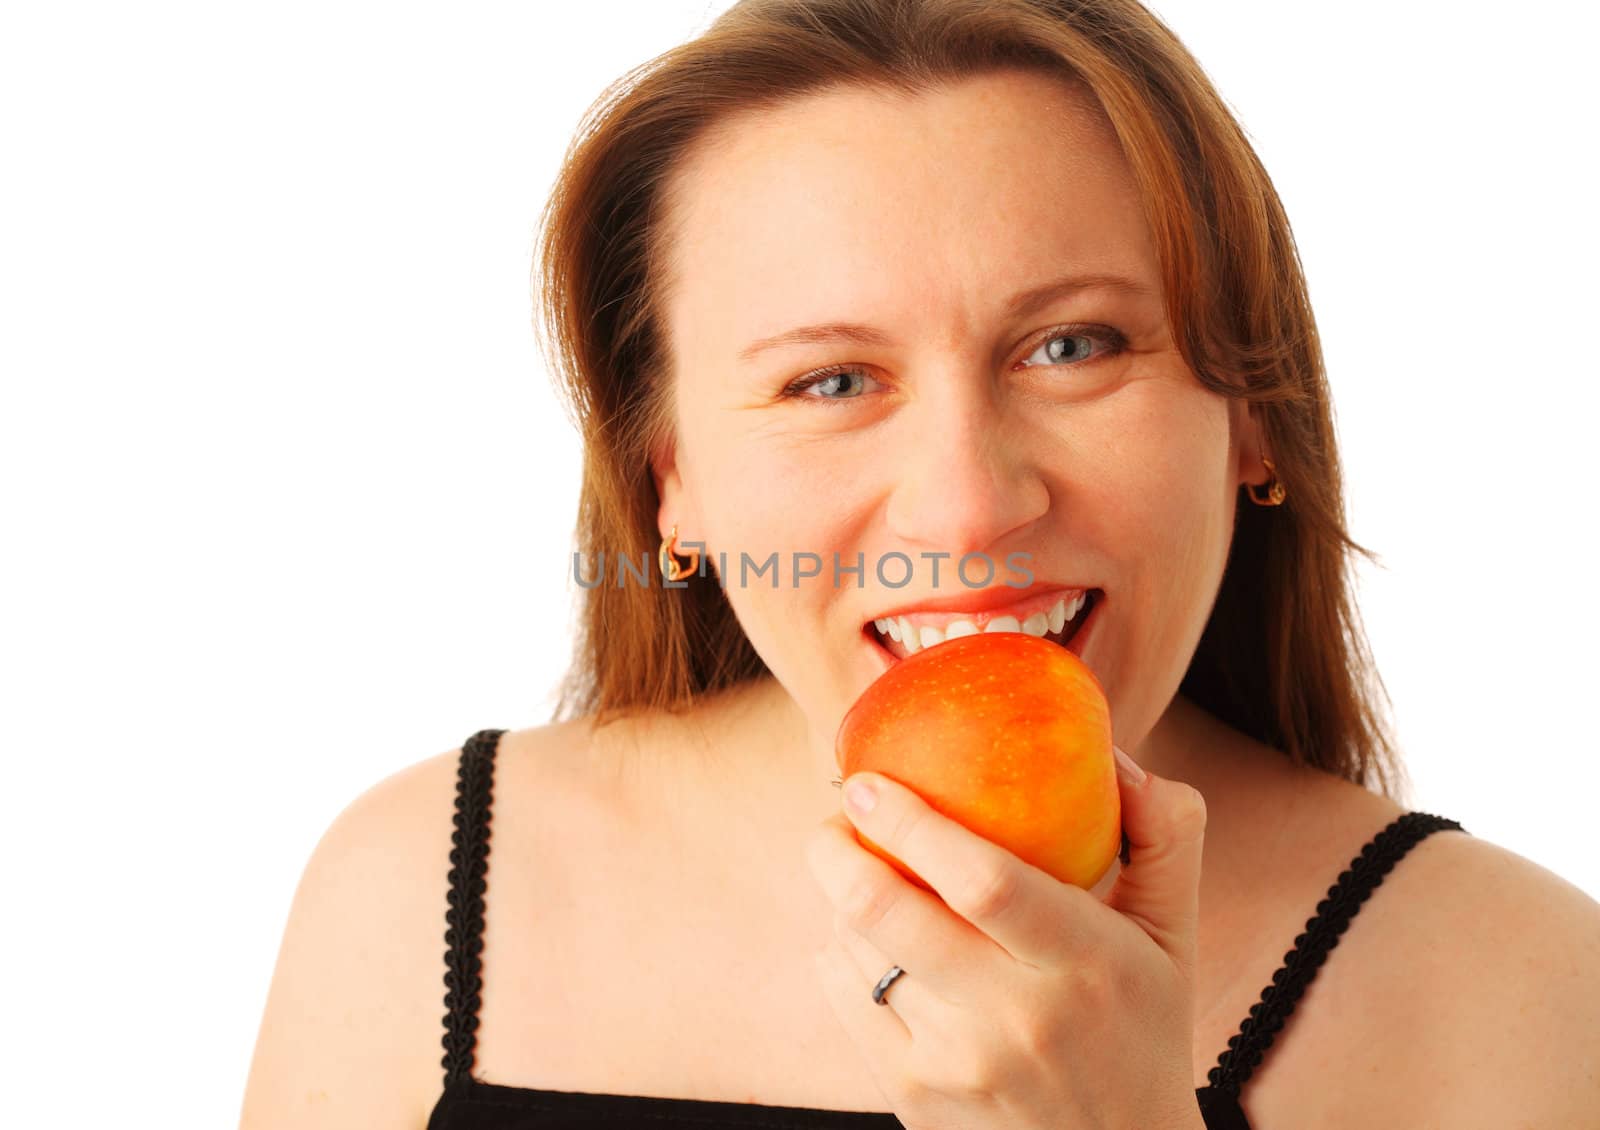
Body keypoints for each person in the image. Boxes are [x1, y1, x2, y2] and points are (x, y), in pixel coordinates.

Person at [239, 1, 1600, 1127]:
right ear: (673, 486)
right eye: (832, 378)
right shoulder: (417, 887)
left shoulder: (1517, 988)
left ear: (1251, 417)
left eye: (1075, 346)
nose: (966, 509)